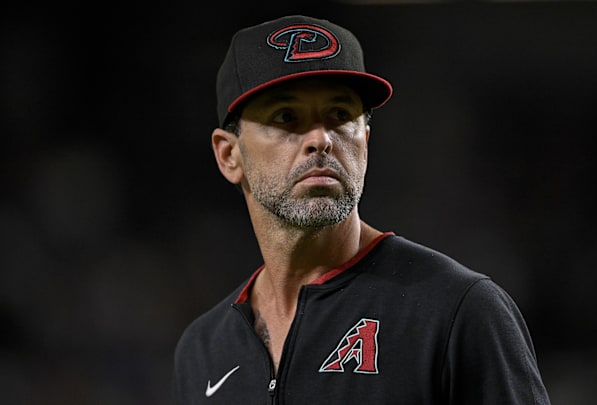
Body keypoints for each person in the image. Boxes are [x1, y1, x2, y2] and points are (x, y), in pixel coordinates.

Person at [173, 15, 551, 404]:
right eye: (286, 117)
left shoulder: (458, 311)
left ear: (365, 141)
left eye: (340, 115)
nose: (320, 139)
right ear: (228, 154)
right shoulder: (203, 349)